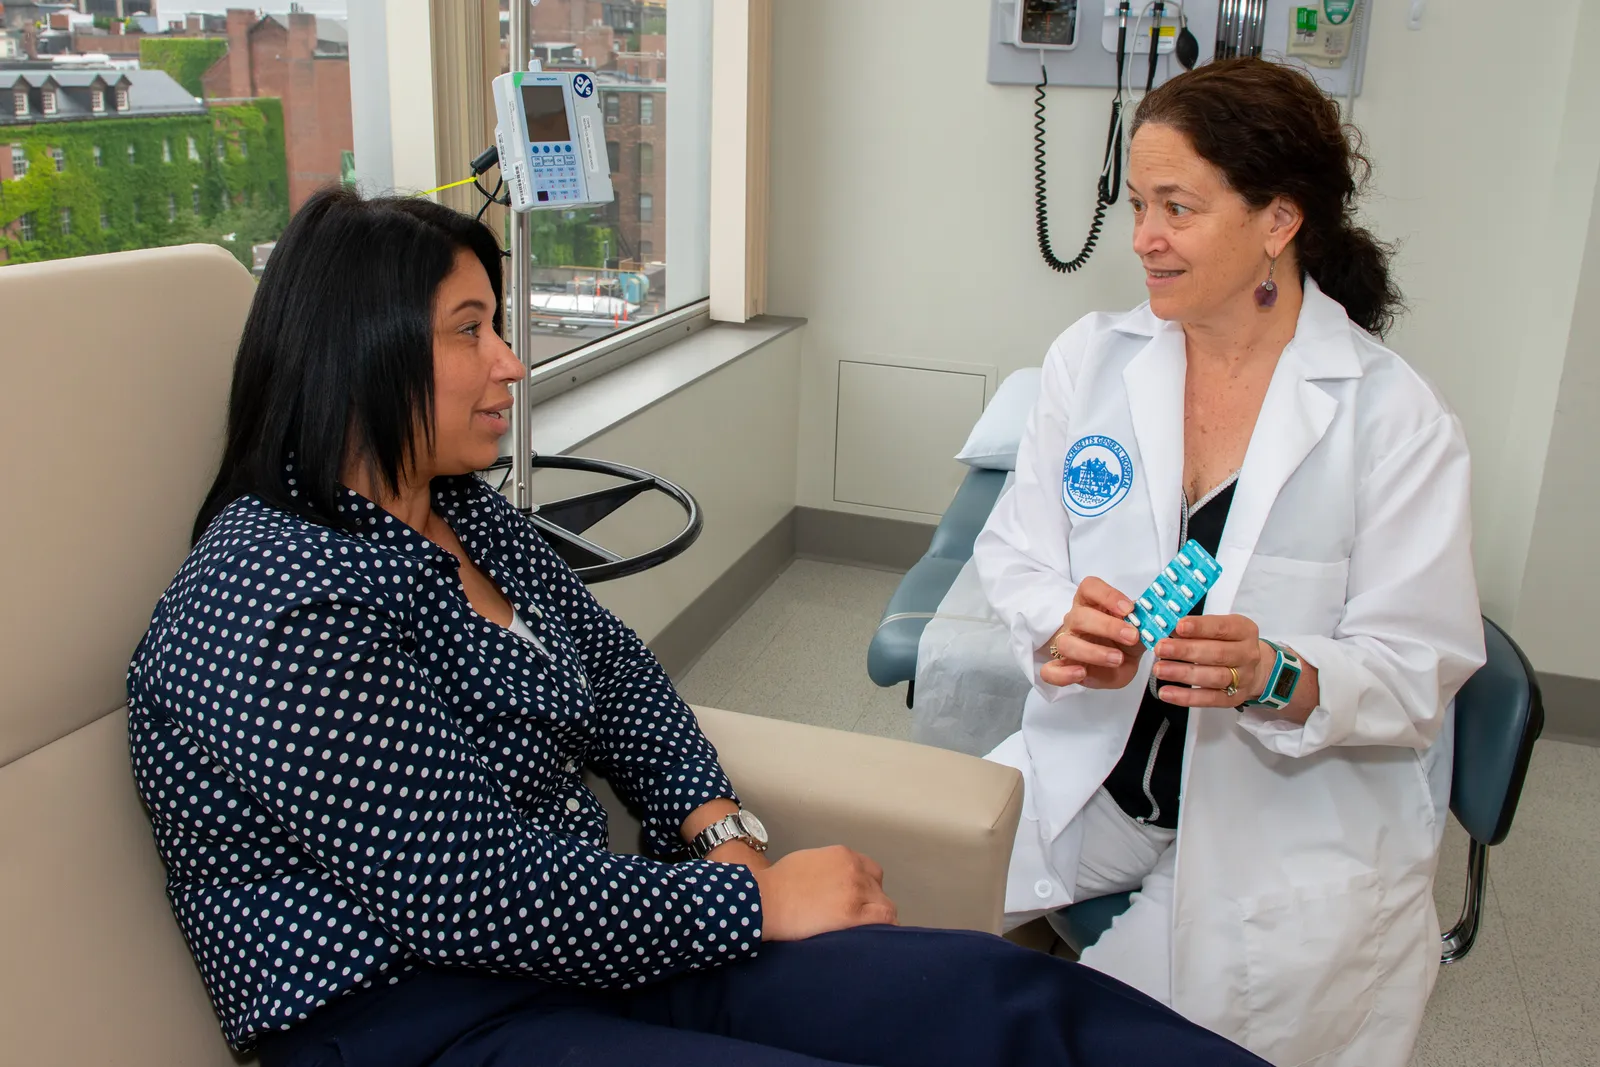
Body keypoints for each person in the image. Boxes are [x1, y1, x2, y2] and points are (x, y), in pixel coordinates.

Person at [126, 187, 1272, 1067]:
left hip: (595, 937)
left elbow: (616, 676)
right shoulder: (266, 604)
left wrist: (718, 821)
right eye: (470, 329)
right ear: (358, 352)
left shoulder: (460, 511)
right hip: (419, 1015)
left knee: (1000, 1001)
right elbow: (471, 891)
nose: (511, 363)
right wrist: (754, 900)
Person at [973, 58, 1485, 1067]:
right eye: (1136, 204)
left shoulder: (1391, 418)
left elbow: (1418, 663)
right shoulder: (1094, 360)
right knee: (892, 897)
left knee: (1115, 1045)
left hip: (1288, 821)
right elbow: (1016, 551)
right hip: (1095, 769)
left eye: (1177, 207)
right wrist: (1053, 620)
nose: (1142, 239)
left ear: (1276, 222)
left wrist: (1276, 673)